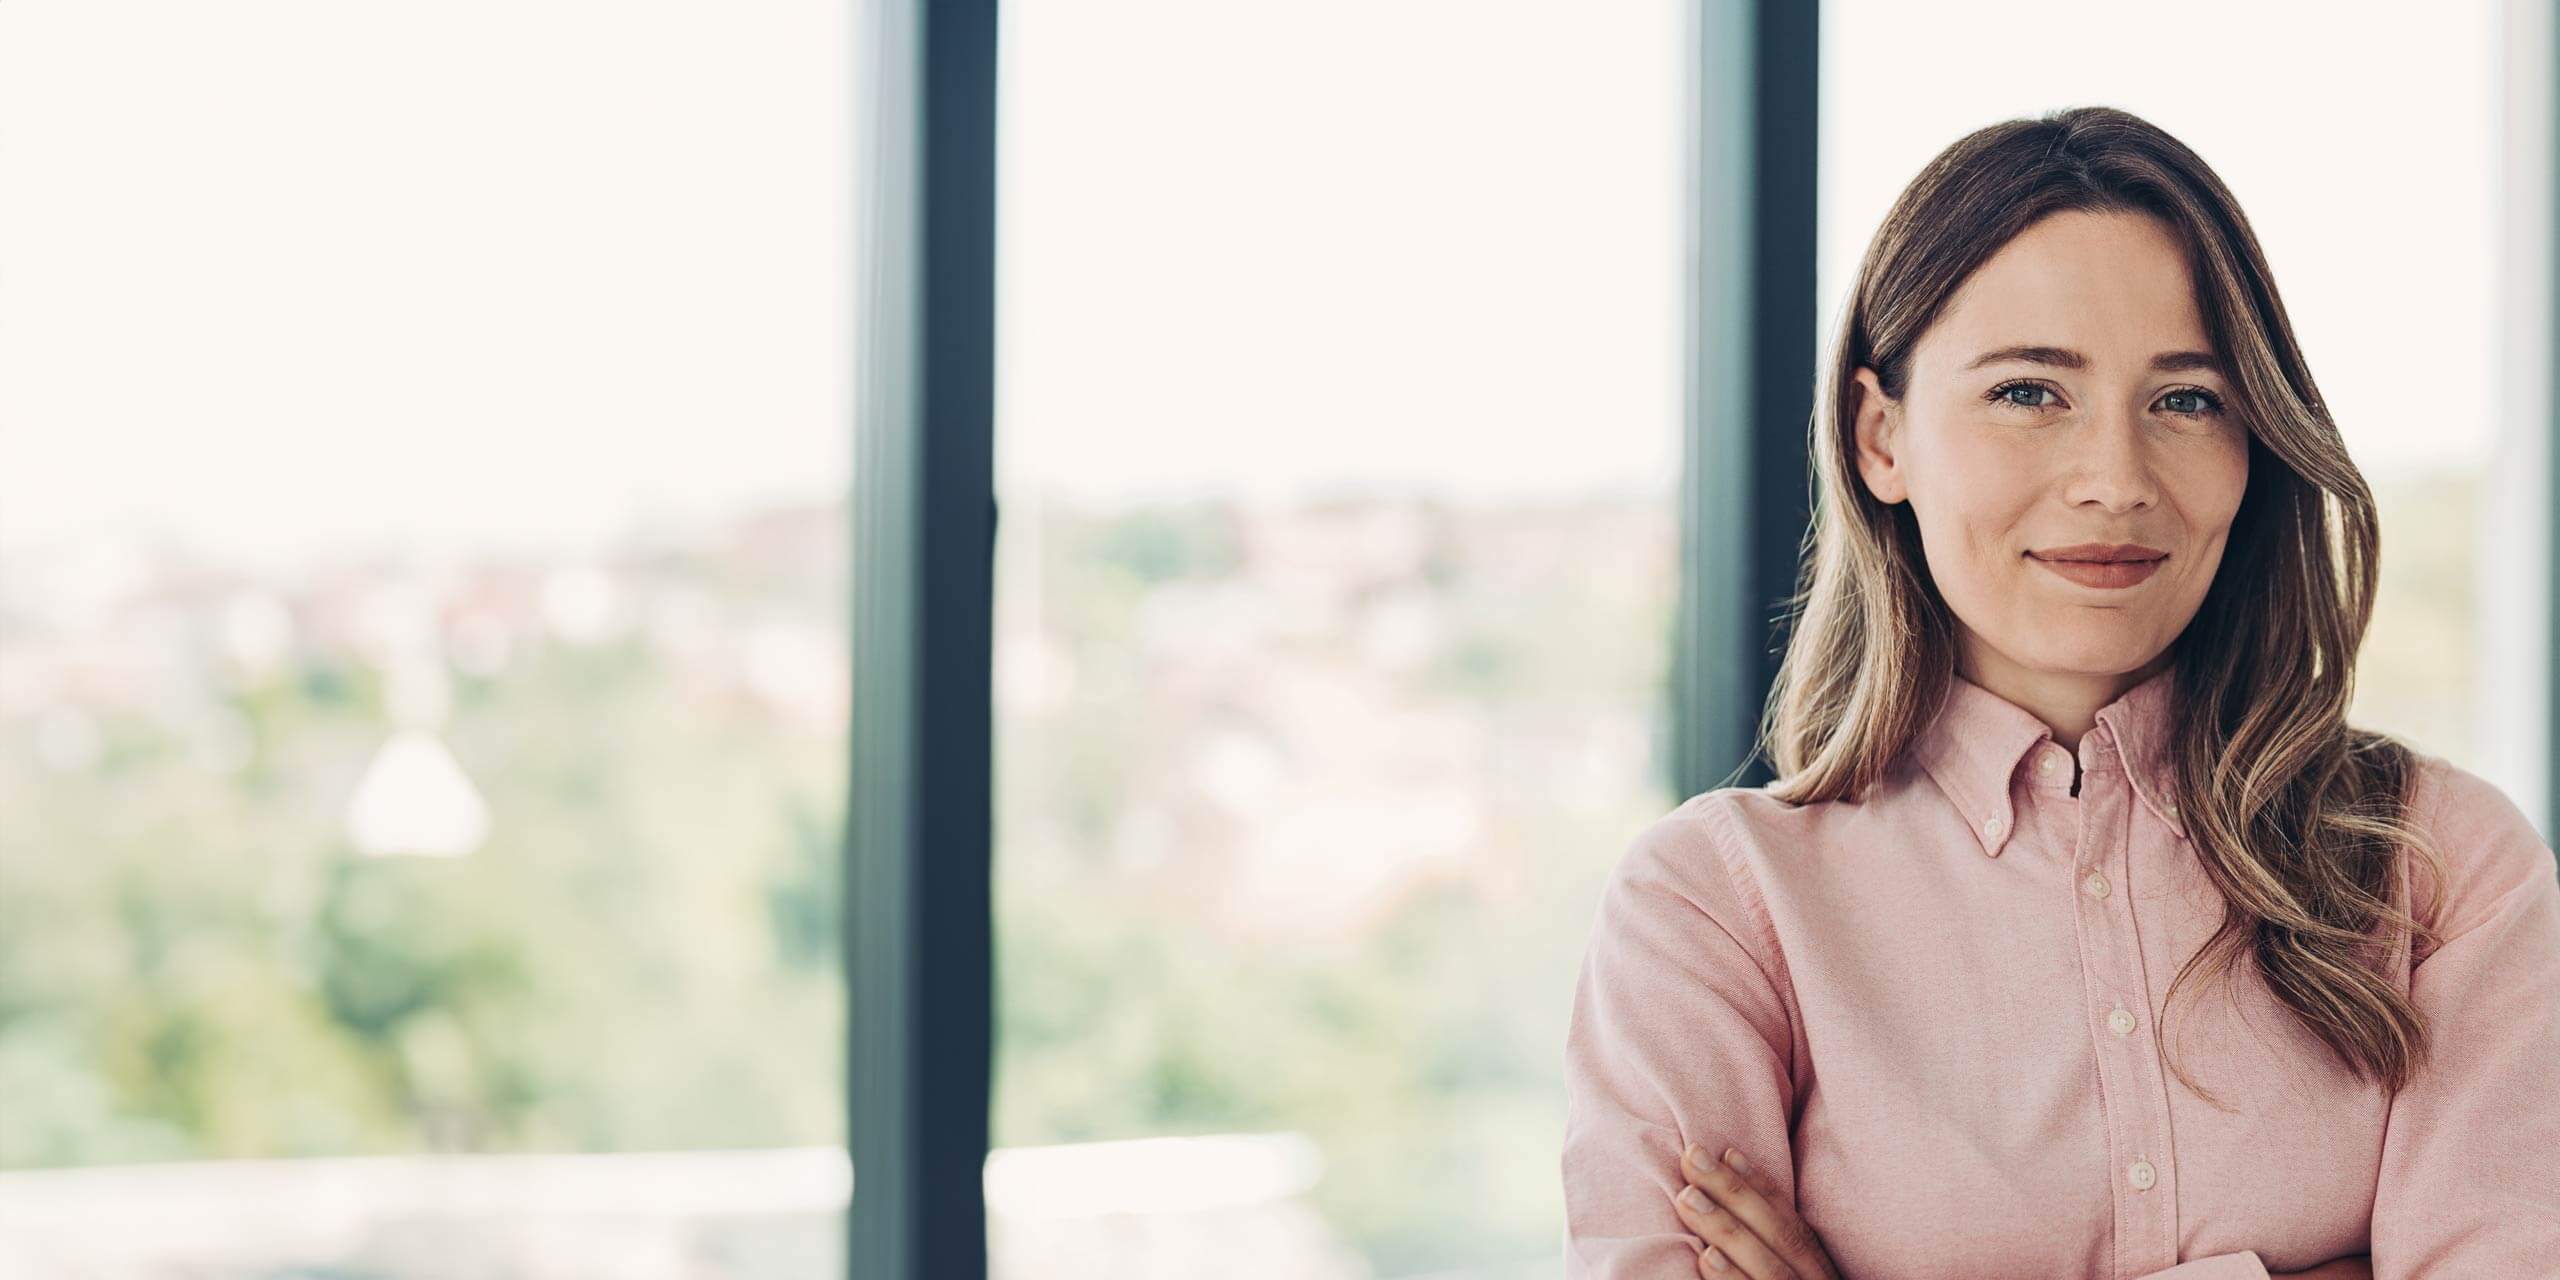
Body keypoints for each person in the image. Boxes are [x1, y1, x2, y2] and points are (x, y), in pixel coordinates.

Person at [1559, 104, 2560, 1279]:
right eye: (2030, 391)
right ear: (1881, 436)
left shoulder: (2439, 865)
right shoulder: (1717, 910)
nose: (2114, 480)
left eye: (2187, 399)